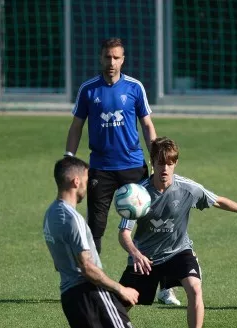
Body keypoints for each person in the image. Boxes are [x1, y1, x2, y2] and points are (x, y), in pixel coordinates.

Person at [117, 137, 237, 328]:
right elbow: (124, 234)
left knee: (195, 288)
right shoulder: (138, 195)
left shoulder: (187, 188)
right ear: (152, 163)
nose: (165, 168)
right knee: (120, 308)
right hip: (146, 258)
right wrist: (136, 253)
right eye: (160, 163)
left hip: (178, 251)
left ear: (175, 164)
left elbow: (217, 201)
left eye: (170, 163)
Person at [21, 156, 140, 328]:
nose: (88, 186)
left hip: (70, 296)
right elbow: (87, 268)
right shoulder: (72, 219)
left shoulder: (51, 214)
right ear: (76, 181)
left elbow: (58, 262)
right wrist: (120, 288)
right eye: (86, 181)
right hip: (90, 292)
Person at [64, 37, 180, 307]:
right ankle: (93, 283)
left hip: (133, 167)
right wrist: (69, 159)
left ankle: (165, 287)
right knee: (96, 227)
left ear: (123, 60)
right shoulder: (88, 90)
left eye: (116, 57)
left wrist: (156, 159)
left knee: (156, 226)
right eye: (107, 57)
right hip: (101, 170)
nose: (111, 62)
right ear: (101, 58)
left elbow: (147, 125)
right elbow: (76, 126)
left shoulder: (135, 87)